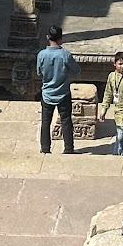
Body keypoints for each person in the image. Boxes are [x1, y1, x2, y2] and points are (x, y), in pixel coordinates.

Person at [37, 25, 80, 154]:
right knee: (66, 121)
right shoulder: (65, 55)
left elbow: (39, 73)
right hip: (63, 94)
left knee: (46, 122)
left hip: (47, 94)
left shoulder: (41, 55)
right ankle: (68, 148)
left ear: (47, 38)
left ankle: (45, 148)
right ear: (61, 39)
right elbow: (77, 70)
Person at [100, 51, 123, 156]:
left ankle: (117, 154)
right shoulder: (111, 76)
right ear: (114, 64)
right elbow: (108, 93)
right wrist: (104, 109)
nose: (122, 66)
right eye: (120, 64)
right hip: (117, 110)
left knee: (121, 134)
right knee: (122, 135)